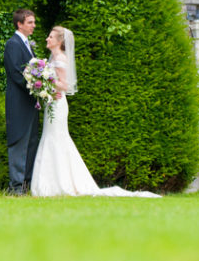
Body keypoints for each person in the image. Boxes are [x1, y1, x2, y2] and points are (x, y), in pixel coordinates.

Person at [30, 26, 160, 198]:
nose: (47, 39)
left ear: (59, 42)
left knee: (56, 137)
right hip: (51, 103)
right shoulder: (52, 59)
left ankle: (58, 183)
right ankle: (50, 182)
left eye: (51, 36)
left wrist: (46, 81)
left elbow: (65, 85)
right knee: (51, 136)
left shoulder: (61, 59)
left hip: (58, 104)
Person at [3, 9, 41, 196]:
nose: (33, 25)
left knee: (31, 142)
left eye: (33, 22)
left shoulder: (27, 44)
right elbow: (16, 73)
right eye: (30, 22)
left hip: (31, 103)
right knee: (19, 142)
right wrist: (37, 87)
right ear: (20, 24)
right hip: (18, 103)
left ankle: (25, 184)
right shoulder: (12, 44)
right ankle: (16, 187)